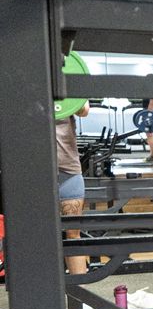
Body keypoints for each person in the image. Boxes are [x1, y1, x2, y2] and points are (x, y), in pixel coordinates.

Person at [56, 101, 90, 275]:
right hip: (33, 170)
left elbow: (84, 110)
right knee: (35, 236)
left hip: (68, 169)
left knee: (73, 234)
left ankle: (79, 298)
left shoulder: (67, 79)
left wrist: (64, 97)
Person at [137, 97, 153, 162]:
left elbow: (152, 104)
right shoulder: (151, 90)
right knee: (150, 135)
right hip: (151, 112)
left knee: (150, 135)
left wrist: (147, 116)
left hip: (152, 113)